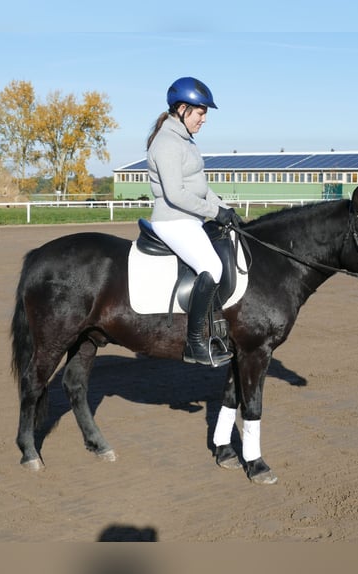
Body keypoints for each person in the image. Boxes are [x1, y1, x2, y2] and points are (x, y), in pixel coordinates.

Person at [146, 76, 242, 367]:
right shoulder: (166, 143)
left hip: (189, 219)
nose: (204, 119)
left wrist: (226, 209)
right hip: (173, 219)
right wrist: (214, 214)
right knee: (211, 266)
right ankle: (195, 342)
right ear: (183, 109)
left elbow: (201, 188)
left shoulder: (185, 140)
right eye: (201, 113)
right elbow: (176, 194)